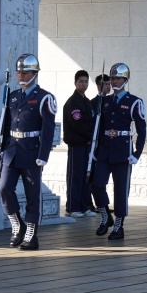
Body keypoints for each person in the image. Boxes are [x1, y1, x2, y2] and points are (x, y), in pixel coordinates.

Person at [0, 54, 56, 251]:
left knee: (33, 195)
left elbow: (48, 130)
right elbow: (6, 125)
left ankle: (31, 234)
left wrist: (43, 155)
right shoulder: (13, 96)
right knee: (4, 188)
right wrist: (2, 149)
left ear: (35, 74)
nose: (21, 75)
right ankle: (17, 223)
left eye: (25, 72)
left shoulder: (44, 98)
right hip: (12, 150)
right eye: (19, 72)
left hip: (32, 151)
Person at [90, 63, 146, 240]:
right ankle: (106, 215)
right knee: (96, 184)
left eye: (118, 78)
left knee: (121, 189)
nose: (115, 81)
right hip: (105, 149)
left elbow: (142, 130)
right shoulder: (104, 101)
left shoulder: (134, 102)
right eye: (112, 78)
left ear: (125, 80)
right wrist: (94, 149)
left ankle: (119, 225)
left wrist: (137, 153)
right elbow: (98, 127)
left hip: (123, 150)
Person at [62, 70, 95, 218]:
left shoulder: (87, 102)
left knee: (85, 176)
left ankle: (84, 206)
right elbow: (77, 124)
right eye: (81, 81)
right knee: (75, 176)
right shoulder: (73, 102)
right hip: (77, 145)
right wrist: (89, 136)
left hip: (87, 145)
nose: (83, 84)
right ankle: (72, 208)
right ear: (75, 83)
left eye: (86, 81)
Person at [88, 73, 111, 214]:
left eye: (109, 84)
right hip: (95, 146)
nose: (108, 87)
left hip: (106, 145)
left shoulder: (111, 102)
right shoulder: (93, 103)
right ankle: (95, 205)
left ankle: (104, 206)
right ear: (98, 86)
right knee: (94, 179)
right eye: (105, 84)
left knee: (101, 180)